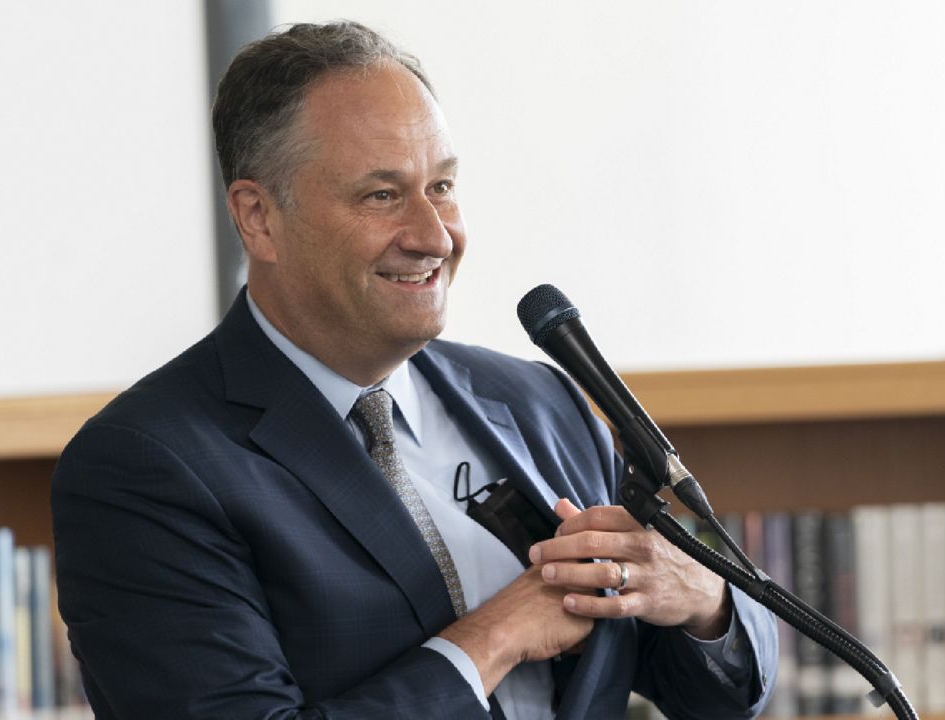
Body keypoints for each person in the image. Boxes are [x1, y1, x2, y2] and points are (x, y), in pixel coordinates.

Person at [52, 20, 777, 719]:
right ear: (258, 218)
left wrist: (703, 599)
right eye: (382, 195)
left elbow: (724, 694)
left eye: (442, 187)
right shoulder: (143, 467)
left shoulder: (540, 402)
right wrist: (491, 639)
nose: (435, 236)